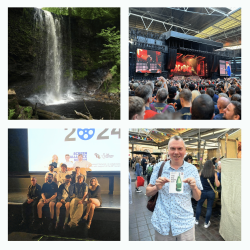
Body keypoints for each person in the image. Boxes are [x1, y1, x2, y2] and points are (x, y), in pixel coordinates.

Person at [146, 135, 202, 241]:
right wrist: (157, 188)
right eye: (173, 148)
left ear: (185, 150)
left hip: (185, 224)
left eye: (180, 148)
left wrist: (194, 188)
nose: (176, 152)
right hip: (162, 223)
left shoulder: (192, 169)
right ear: (168, 150)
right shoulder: (159, 167)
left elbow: (198, 197)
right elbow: (148, 192)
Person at [195, 160, 220, 228]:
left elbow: (196, 181)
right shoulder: (214, 173)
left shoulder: (201, 172)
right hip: (211, 192)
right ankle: (206, 223)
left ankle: (196, 220)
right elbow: (217, 185)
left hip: (202, 192)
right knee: (209, 207)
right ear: (212, 165)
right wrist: (219, 182)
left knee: (199, 205)